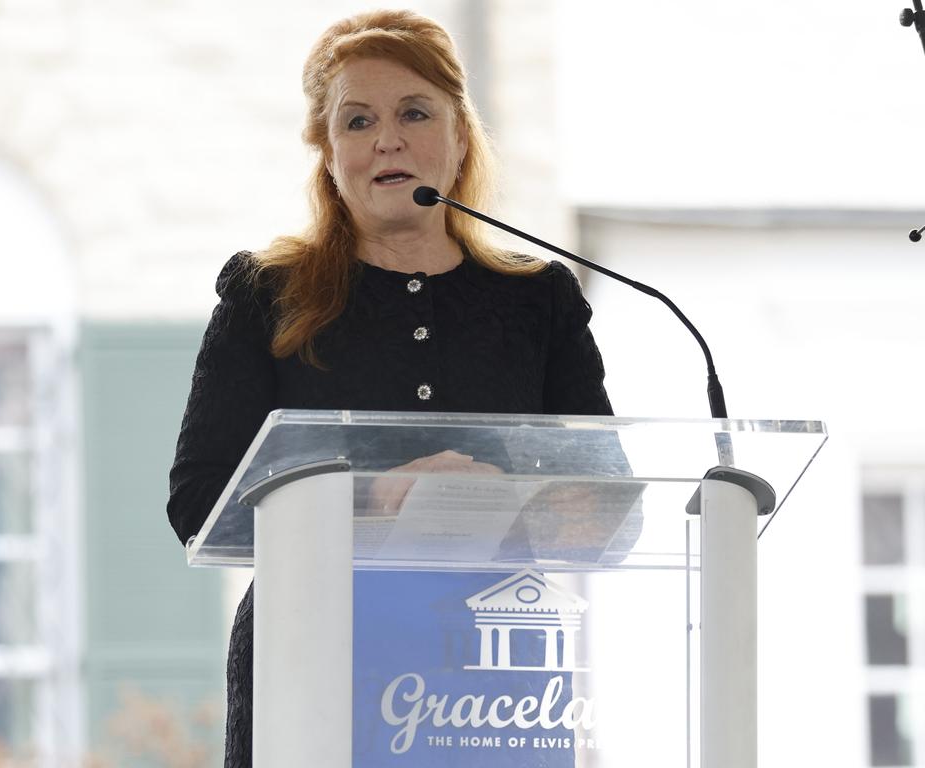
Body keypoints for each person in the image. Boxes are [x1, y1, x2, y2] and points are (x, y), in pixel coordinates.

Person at [167, 9, 614, 767]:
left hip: (492, 669)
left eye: (415, 112)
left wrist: (499, 497)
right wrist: (373, 497)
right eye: (358, 121)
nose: (388, 140)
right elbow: (200, 503)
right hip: (311, 656)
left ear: (461, 135)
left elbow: (606, 505)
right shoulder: (264, 294)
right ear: (329, 153)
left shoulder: (540, 300)